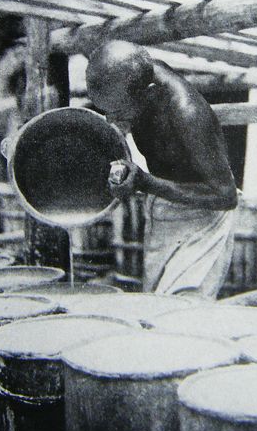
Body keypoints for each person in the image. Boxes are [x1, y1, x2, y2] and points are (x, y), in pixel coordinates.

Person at [86, 40, 239, 298]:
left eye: (118, 112)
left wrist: (145, 183)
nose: (112, 120)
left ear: (148, 92)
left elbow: (226, 196)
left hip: (204, 216)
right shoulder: (137, 74)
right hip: (163, 206)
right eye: (106, 113)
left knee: (182, 312)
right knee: (156, 302)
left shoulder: (187, 113)